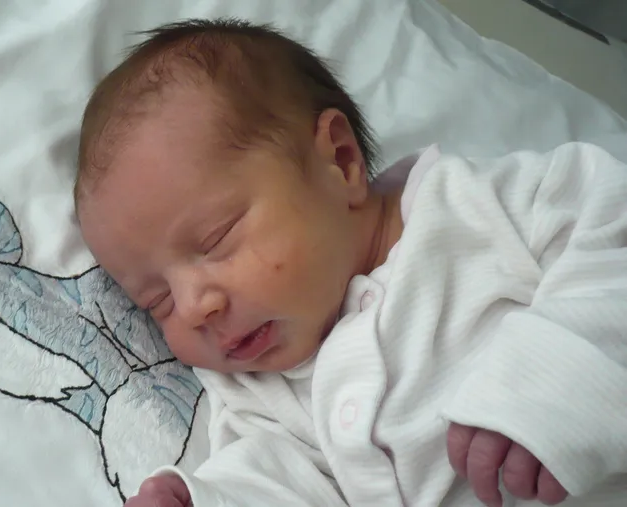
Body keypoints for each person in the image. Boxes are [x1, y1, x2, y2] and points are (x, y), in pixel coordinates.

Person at [74, 18, 627, 507]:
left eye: (216, 238)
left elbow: (613, 236)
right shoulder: (256, 393)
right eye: (158, 302)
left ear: (339, 161)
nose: (194, 308)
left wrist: (551, 377)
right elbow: (277, 484)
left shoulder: (476, 209)